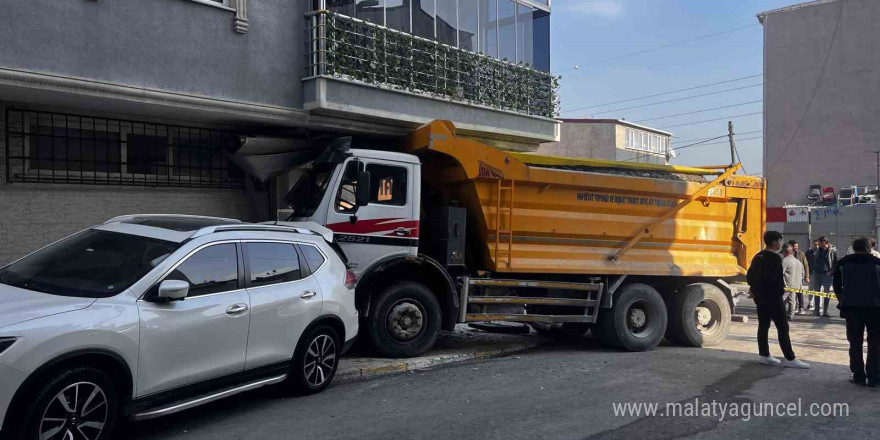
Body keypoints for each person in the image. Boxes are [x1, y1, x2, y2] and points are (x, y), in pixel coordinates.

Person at [747, 230, 810, 368]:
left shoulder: (758, 256)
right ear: (774, 242)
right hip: (773, 298)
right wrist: (780, 292)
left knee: (763, 325)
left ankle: (764, 355)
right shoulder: (774, 258)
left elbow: (750, 276)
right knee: (783, 327)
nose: (780, 244)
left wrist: (755, 290)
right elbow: (776, 279)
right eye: (779, 241)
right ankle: (790, 357)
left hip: (760, 297)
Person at [833, 236, 880, 386]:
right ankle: (874, 377)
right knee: (875, 342)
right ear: (869, 248)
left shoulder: (843, 263)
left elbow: (837, 286)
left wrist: (842, 300)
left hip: (852, 309)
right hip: (875, 308)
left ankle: (858, 375)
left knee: (855, 342)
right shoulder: (877, 263)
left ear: (853, 248)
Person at [811, 236, 837, 317]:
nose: (818, 243)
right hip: (817, 273)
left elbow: (835, 263)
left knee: (826, 292)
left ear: (824, 242)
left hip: (826, 274)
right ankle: (816, 310)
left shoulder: (832, 251)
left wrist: (831, 272)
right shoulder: (818, 250)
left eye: (820, 242)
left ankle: (825, 311)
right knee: (816, 292)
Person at [782, 243, 804, 320]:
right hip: (796, 285)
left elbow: (780, 273)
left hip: (787, 285)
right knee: (792, 300)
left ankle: (779, 315)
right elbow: (802, 274)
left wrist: (783, 284)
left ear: (784, 252)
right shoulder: (798, 262)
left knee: (781, 300)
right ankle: (790, 315)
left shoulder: (785, 261)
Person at [789, 240, 811, 314]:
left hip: (798, 276)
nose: (796, 248)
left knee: (799, 292)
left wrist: (806, 276)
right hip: (790, 276)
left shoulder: (801, 254)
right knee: (791, 292)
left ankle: (801, 308)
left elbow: (806, 265)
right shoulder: (788, 253)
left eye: (797, 246)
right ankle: (794, 307)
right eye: (794, 246)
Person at [804, 240, 820, 312]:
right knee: (811, 288)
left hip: (819, 273)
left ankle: (819, 305)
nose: (816, 246)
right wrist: (806, 274)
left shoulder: (821, 252)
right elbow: (805, 263)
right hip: (811, 273)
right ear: (812, 245)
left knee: (819, 289)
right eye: (815, 244)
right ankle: (810, 304)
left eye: (817, 244)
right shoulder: (808, 252)